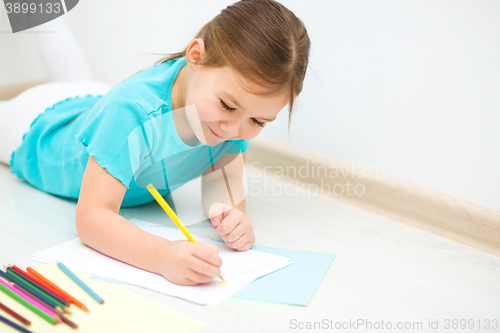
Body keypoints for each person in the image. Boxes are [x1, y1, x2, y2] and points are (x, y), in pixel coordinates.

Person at [0, 0, 310, 285]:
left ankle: (42, 18)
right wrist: (162, 256)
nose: (233, 129)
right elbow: (92, 217)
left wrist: (236, 220)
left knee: (74, 79)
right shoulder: (130, 113)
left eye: (258, 122)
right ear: (196, 57)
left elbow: (223, 196)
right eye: (228, 106)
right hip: (36, 128)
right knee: (64, 87)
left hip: (94, 101)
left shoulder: (225, 114)